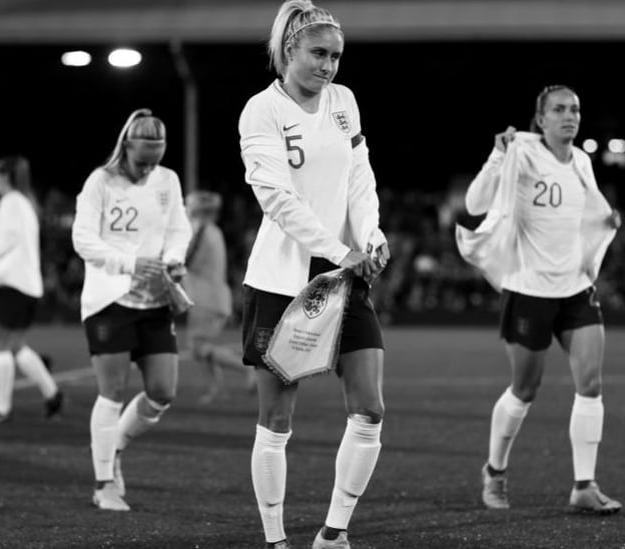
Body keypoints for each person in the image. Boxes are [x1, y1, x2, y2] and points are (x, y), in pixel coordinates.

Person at [238, 2, 390, 547]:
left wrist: (369, 235)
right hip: (283, 282)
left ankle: (333, 532)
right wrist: (335, 248)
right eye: (318, 53)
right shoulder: (262, 110)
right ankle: (275, 538)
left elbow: (360, 177)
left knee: (370, 410)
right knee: (276, 421)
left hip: (346, 278)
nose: (328, 66)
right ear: (287, 51)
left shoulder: (344, 102)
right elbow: (275, 197)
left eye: (336, 56)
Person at [460, 85, 623, 515]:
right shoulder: (520, 152)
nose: (569, 116)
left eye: (575, 109)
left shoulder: (583, 161)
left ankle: (584, 486)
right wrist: (497, 155)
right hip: (529, 289)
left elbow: (587, 210)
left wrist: (606, 221)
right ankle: (494, 471)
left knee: (590, 385)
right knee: (525, 389)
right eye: (559, 109)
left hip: (575, 289)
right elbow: (475, 202)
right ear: (541, 117)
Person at [72, 109, 193, 511]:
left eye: (156, 159)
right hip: (110, 300)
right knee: (112, 392)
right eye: (143, 161)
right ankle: (104, 482)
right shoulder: (100, 181)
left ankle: (115, 448)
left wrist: (174, 258)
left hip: (156, 299)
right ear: (127, 146)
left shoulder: (168, 180)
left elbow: (179, 228)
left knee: (162, 392)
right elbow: (83, 239)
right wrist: (128, 263)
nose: (148, 168)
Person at [0, 156, 62, 423]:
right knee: (15, 345)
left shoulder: (11, 201)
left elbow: (8, 239)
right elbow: (11, 232)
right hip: (27, 285)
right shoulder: (24, 202)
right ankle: (52, 394)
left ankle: (1, 409)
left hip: (14, 283)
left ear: (5, 177)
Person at [182, 190, 256, 405]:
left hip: (206, 297)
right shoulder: (213, 230)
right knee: (201, 347)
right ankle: (215, 389)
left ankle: (246, 369)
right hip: (211, 296)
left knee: (198, 348)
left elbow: (185, 259)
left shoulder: (201, 229)